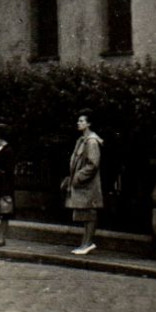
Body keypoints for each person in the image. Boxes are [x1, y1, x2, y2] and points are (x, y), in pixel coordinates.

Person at [63, 110, 105, 256]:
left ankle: (87, 243)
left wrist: (78, 177)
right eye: (78, 121)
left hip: (88, 185)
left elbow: (93, 164)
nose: (78, 123)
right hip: (83, 184)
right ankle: (84, 243)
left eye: (82, 121)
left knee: (90, 213)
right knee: (86, 214)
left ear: (89, 123)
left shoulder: (91, 142)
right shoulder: (81, 140)